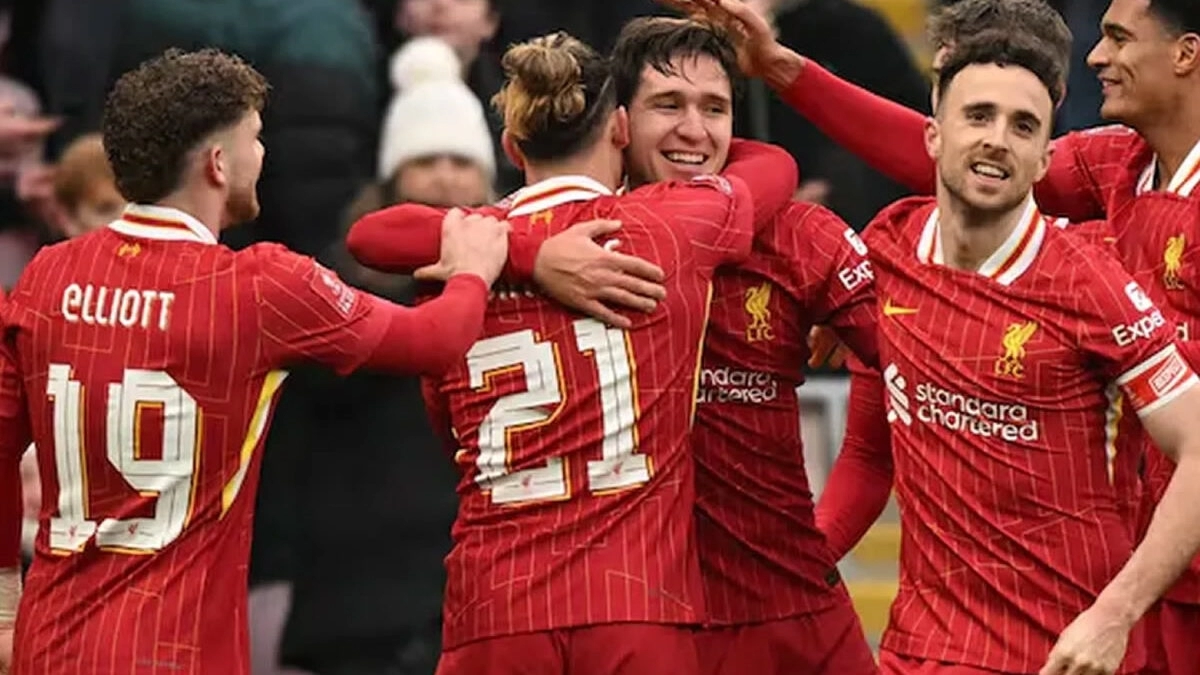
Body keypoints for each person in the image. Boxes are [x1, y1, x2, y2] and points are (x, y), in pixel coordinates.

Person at [684, 1, 1200, 672]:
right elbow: (955, 159)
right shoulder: (1113, 167)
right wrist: (786, 71)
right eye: (978, 115)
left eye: (1117, 37)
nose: (1096, 55)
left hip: (1121, 585)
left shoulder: (1087, 280)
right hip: (1016, 615)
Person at [0, 47, 509, 675]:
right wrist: (473, 271)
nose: (264, 156)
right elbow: (433, 341)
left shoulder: (47, 274)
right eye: (256, 138)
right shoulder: (259, 286)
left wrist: (3, 611)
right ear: (219, 163)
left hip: (50, 642)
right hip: (176, 649)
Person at [348, 29, 799, 675]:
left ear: (509, 145)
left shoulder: (457, 260)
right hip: (637, 601)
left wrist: (522, 251)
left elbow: (371, 240)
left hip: (493, 608)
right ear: (621, 129)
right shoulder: (677, 226)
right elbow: (776, 165)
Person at [845, 29, 1200, 675]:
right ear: (933, 133)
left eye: (1023, 125)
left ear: (1044, 159)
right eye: (978, 115)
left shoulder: (1090, 281)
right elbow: (867, 450)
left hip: (1060, 654)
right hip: (917, 650)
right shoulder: (886, 248)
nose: (996, 140)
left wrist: (1114, 613)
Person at [610, 16, 884, 674]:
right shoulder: (582, 240)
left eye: (715, 107)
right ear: (618, 122)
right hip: (645, 620)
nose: (694, 130)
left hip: (795, 612)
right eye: (668, 105)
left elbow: (912, 361)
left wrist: (826, 537)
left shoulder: (799, 234)